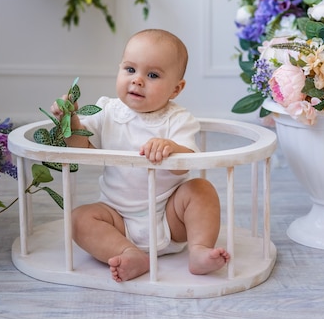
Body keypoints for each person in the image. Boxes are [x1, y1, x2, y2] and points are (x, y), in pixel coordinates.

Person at [51, 29, 230, 282]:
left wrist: (171, 147)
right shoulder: (107, 110)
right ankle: (129, 253)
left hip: (169, 215)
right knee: (79, 219)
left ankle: (199, 249)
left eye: (153, 75)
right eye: (130, 70)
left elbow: (186, 162)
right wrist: (69, 119)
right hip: (117, 218)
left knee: (201, 189)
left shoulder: (178, 119)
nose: (137, 80)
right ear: (120, 68)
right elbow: (79, 146)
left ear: (176, 89)